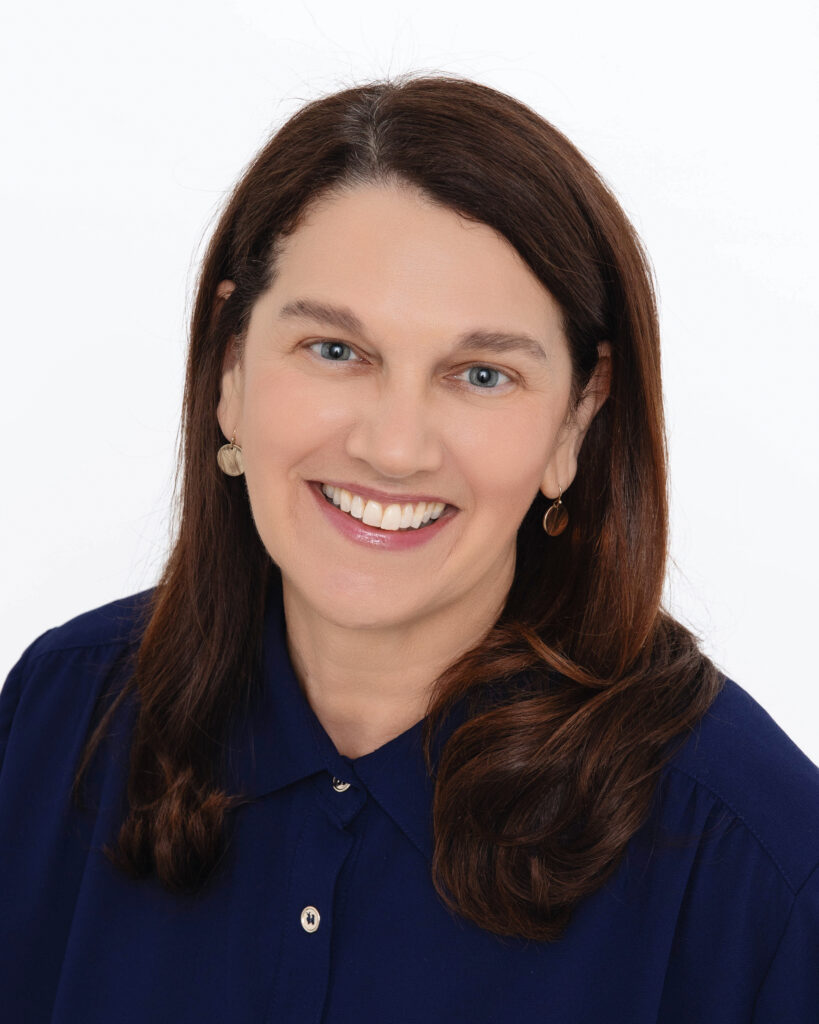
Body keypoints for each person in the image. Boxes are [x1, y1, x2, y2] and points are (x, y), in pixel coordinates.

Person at [1, 73, 817, 1023]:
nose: (393, 447)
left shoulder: (754, 867)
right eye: (336, 351)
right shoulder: (58, 722)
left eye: (481, 374)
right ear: (230, 366)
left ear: (575, 423)